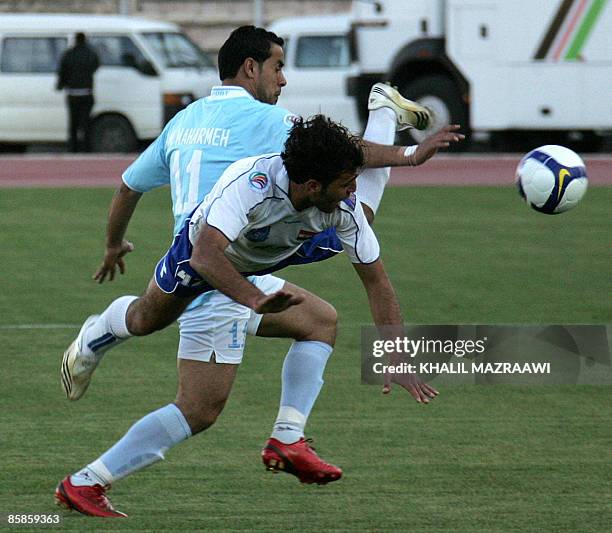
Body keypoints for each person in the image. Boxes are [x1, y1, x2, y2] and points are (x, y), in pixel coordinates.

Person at [57, 26, 462, 516]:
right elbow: (348, 152)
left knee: (318, 316)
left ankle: (287, 438)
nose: (283, 79)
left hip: (233, 249)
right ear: (251, 68)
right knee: (199, 408)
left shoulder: (185, 119)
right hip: (212, 261)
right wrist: (409, 154)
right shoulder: (269, 127)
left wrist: (113, 243)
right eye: (278, 66)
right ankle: (87, 481)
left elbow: (127, 187)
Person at [56, 32, 99, 152]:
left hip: (72, 93)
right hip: (87, 93)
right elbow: (96, 66)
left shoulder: (68, 54)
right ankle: (86, 148)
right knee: (85, 123)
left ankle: (73, 148)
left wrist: (60, 85)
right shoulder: (90, 54)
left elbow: (62, 72)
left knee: (73, 123)